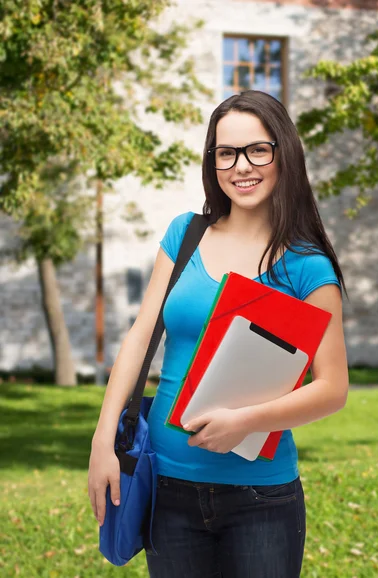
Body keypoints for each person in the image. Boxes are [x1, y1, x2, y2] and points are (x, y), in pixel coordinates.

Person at [88, 90, 349, 578]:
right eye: (226, 152)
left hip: (261, 499)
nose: (241, 166)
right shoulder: (185, 234)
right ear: (213, 161)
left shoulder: (306, 266)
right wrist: (103, 440)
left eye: (257, 150)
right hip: (166, 489)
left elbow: (332, 389)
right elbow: (140, 336)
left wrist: (246, 420)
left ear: (283, 153)